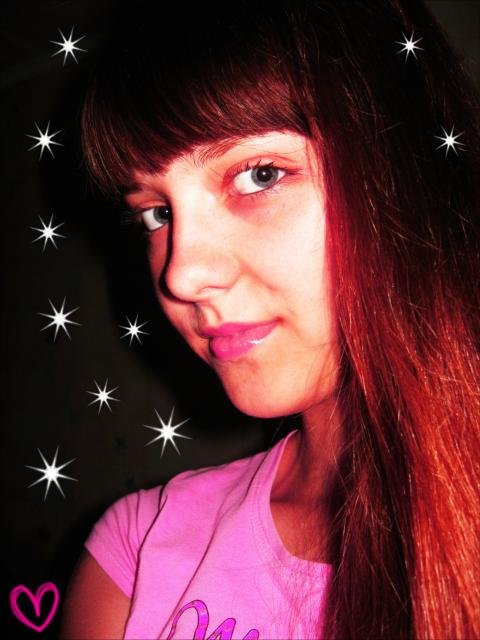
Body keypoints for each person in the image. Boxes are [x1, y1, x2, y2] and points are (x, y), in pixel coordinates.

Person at [60, 1, 480, 638]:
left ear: (407, 178)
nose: (181, 275)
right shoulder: (138, 548)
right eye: (157, 213)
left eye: (259, 175)